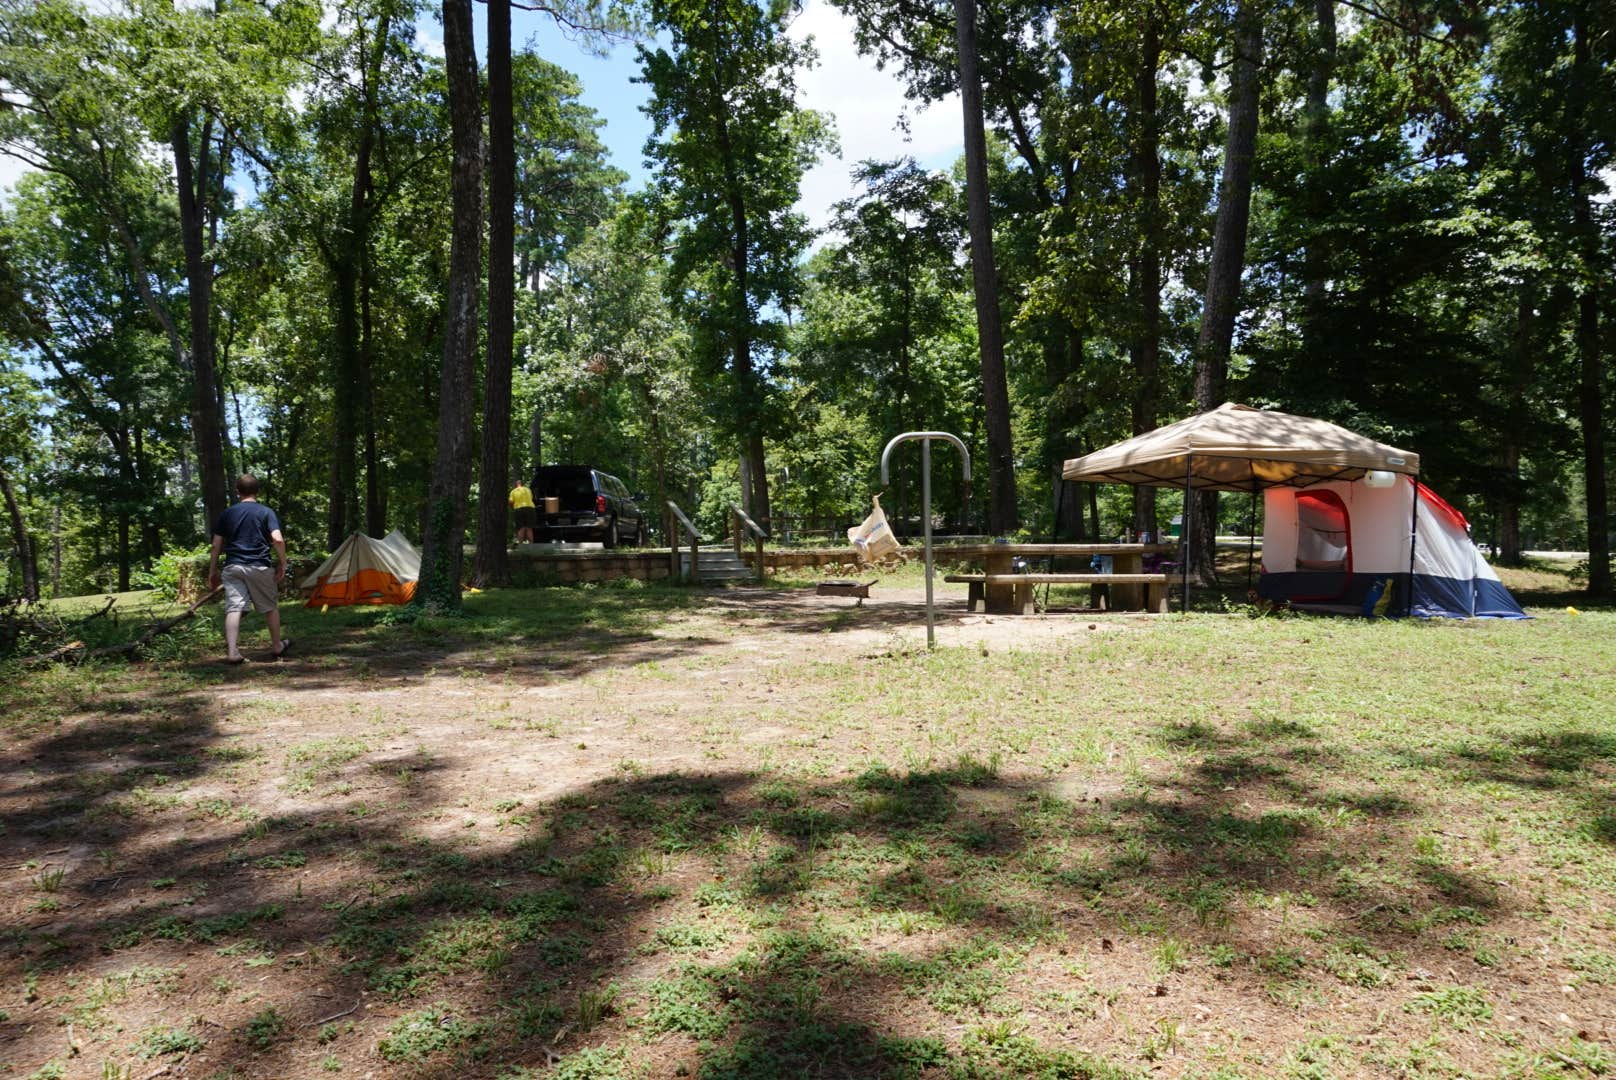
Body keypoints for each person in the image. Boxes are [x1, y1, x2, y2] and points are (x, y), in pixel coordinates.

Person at [207, 474, 289, 664]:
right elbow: (277, 539)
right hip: (259, 566)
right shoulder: (266, 512)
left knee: (234, 608)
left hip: (233, 566)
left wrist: (212, 571)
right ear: (257, 491)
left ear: (237, 492)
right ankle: (277, 646)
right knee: (270, 607)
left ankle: (232, 652)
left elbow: (216, 544)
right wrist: (283, 563)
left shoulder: (227, 513)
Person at [509, 480, 537, 544]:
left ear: (516, 485)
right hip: (530, 508)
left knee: (521, 528)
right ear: (523, 484)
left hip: (519, 509)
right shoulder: (528, 490)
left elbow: (511, 502)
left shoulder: (513, 491)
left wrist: (512, 507)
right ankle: (531, 545)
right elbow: (531, 498)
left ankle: (520, 546)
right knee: (529, 528)